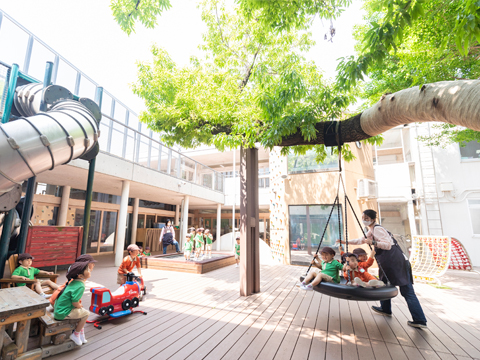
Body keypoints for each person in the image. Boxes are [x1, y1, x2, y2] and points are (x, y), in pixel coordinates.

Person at [338, 209, 427, 329]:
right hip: (388, 263)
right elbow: (361, 240)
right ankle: (385, 308)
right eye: (363, 217)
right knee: (383, 284)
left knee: (406, 290)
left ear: (373, 219)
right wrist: (345, 242)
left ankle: (419, 319)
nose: (364, 220)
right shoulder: (371, 229)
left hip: (396, 262)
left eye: (366, 218)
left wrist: (373, 242)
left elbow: (388, 245)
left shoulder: (378, 229)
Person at [53, 262, 91, 346]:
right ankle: (76, 334)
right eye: (88, 269)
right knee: (86, 314)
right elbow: (75, 302)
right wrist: (79, 305)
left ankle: (81, 334)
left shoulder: (74, 281)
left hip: (59, 310)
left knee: (81, 312)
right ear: (80, 276)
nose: (90, 270)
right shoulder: (80, 285)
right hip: (62, 313)